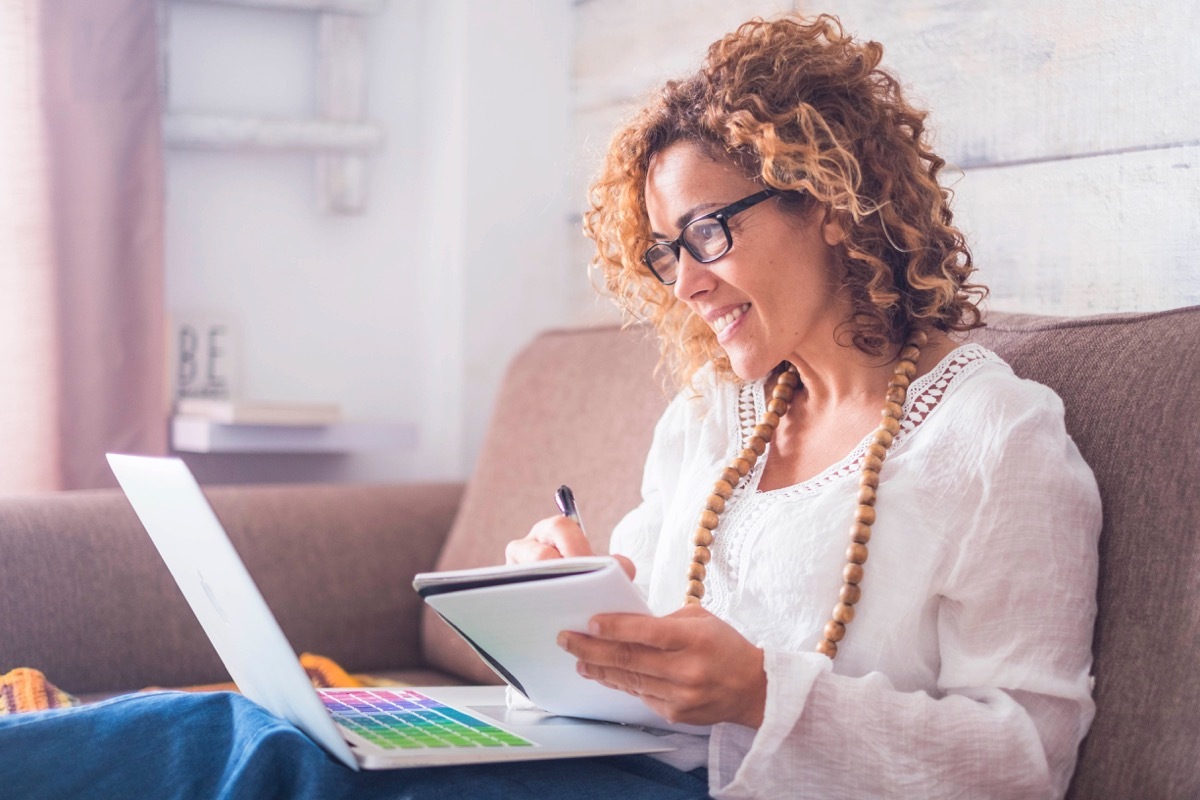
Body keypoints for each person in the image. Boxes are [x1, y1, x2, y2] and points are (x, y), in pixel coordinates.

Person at [0, 13, 1099, 800]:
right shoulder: (712, 423)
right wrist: (563, 592)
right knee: (256, 725)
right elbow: (641, 643)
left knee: (274, 760)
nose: (685, 280)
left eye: (707, 232)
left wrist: (768, 693)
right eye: (668, 250)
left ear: (828, 199)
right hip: (602, 760)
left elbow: (1023, 760)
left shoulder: (994, 440)